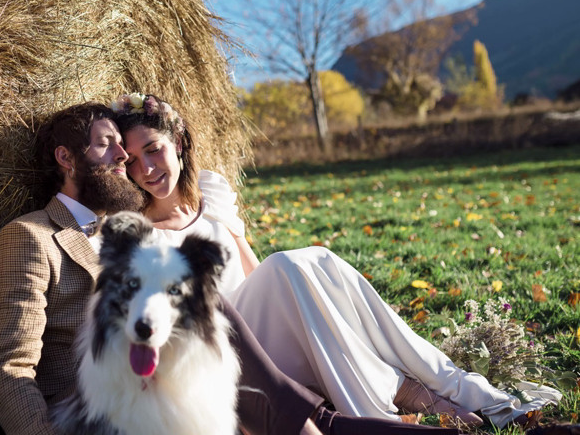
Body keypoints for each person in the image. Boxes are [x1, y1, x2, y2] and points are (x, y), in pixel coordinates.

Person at [0, 101, 462, 434]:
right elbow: (10, 368)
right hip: (98, 413)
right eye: (108, 145)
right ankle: (337, 419)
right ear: (67, 158)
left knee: (225, 302)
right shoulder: (31, 238)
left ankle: (346, 416)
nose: (126, 157)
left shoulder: (125, 235)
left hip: (172, 386)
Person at [111, 92, 563, 430]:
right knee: (290, 265)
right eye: (132, 161)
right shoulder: (140, 232)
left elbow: (255, 270)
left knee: (305, 263)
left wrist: (305, 308)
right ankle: (399, 395)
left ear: (180, 143)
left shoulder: (210, 194)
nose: (147, 168)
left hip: (270, 334)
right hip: (227, 352)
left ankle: (425, 383)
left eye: (153, 148)